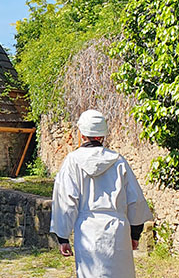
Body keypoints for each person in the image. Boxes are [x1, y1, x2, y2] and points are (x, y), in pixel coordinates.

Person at [50, 109, 153, 278]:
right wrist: (135, 234)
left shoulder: (72, 161)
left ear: (82, 134)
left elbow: (66, 201)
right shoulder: (119, 161)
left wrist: (63, 237)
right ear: (103, 135)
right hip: (117, 232)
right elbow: (135, 200)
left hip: (87, 232)